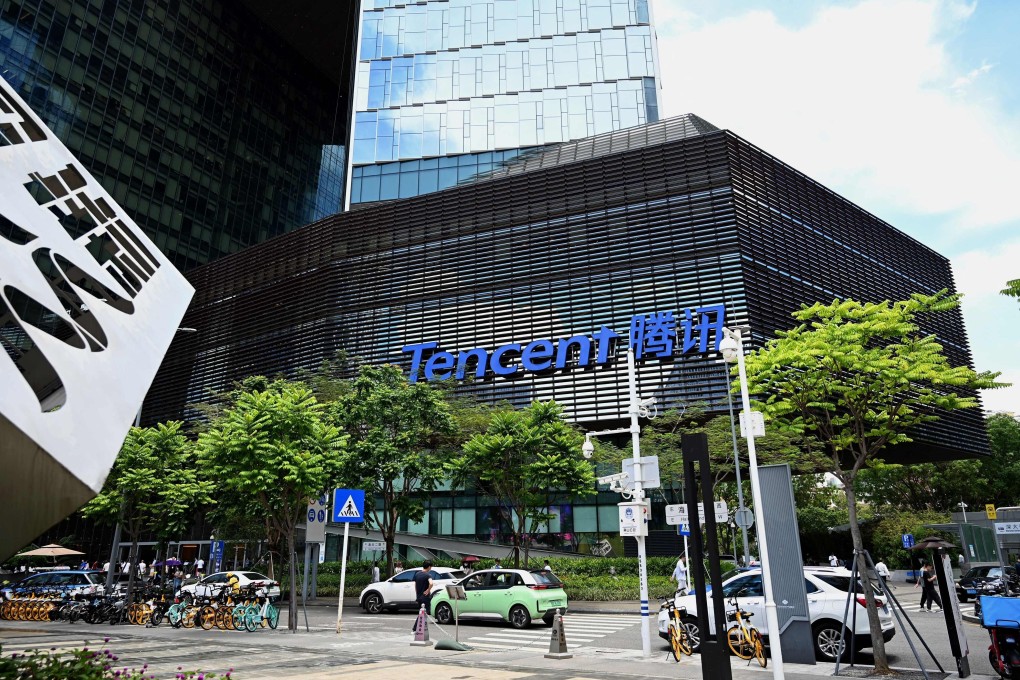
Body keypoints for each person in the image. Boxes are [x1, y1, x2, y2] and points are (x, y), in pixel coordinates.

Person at [412, 561, 437, 628]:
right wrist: (428, 590)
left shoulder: (417, 574)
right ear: (429, 567)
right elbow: (431, 583)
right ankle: (416, 628)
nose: (430, 568)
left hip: (419, 596)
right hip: (425, 597)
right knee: (424, 613)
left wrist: (417, 593)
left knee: (421, 612)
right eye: (431, 567)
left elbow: (415, 584)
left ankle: (419, 628)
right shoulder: (428, 575)